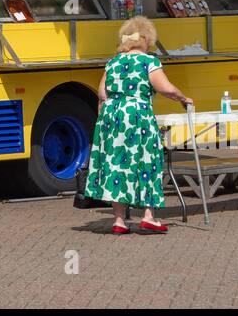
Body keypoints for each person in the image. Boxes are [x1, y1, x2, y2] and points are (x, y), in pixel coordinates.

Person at [82, 16, 192, 235]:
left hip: (112, 116)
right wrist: (183, 98)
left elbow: (102, 92)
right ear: (146, 39)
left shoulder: (114, 62)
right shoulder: (148, 62)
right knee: (147, 160)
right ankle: (149, 217)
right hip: (137, 117)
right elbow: (165, 88)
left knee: (116, 165)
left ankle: (119, 221)